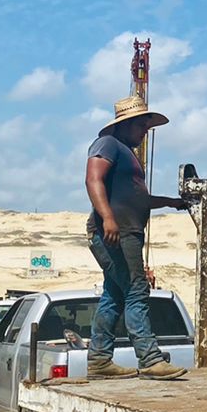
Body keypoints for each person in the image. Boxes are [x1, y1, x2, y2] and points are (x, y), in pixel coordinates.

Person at [84, 95, 189, 380]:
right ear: (125, 124)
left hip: (126, 232)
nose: (145, 132)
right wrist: (107, 217)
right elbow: (93, 179)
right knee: (136, 289)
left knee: (115, 293)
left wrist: (169, 202)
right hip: (114, 232)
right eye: (141, 125)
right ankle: (150, 359)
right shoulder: (108, 144)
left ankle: (99, 359)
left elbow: (136, 197)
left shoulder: (126, 152)